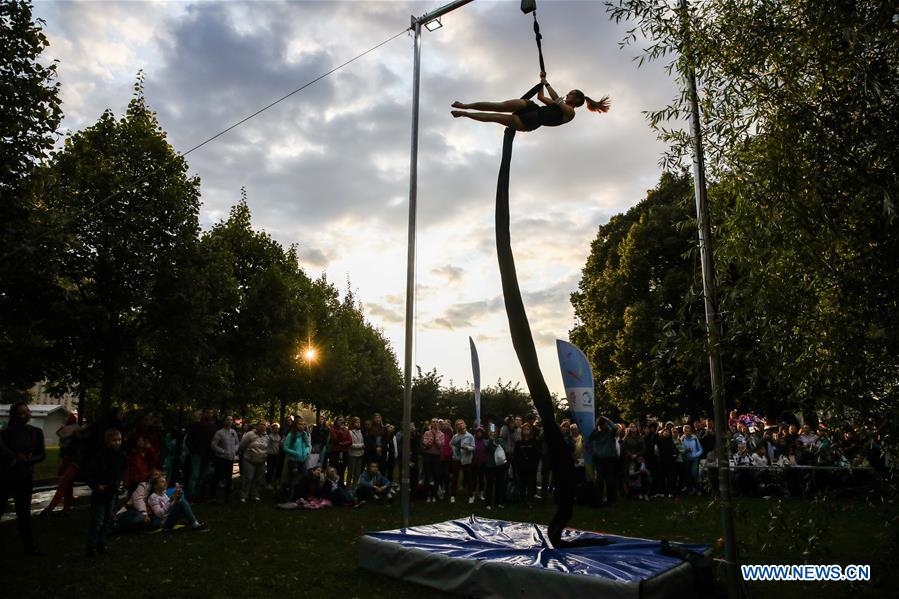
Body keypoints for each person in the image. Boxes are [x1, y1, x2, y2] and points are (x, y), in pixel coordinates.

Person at [451, 72, 609, 131]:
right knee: (498, 106)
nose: (568, 93)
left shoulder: (570, 113)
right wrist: (541, 82)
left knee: (495, 117)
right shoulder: (558, 104)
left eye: (571, 93)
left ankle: (464, 114)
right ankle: (465, 105)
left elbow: (556, 99)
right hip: (532, 108)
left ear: (577, 99)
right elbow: (541, 97)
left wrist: (546, 83)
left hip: (531, 121)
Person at [0, 402, 46, 555]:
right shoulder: (5, 433)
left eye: (28, 411)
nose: (27, 414)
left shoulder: (35, 432)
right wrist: (14, 457)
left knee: (24, 512)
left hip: (24, 477)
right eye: (22, 412)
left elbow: (41, 454)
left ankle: (29, 546)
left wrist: (28, 460)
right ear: (14, 415)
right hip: (5, 476)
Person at [84, 429, 126, 557]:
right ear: (107, 441)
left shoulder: (120, 455)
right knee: (98, 520)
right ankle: (91, 545)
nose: (117, 443)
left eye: (119, 440)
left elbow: (122, 470)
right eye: (114, 440)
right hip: (101, 492)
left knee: (108, 519)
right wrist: (96, 485)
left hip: (112, 491)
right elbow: (89, 473)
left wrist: (120, 483)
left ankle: (101, 543)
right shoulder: (99, 456)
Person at [42, 413, 84, 516]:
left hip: (73, 461)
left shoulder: (74, 431)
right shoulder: (75, 430)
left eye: (66, 418)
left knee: (64, 484)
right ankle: (65, 509)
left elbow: (61, 436)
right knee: (67, 485)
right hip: (69, 460)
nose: (64, 419)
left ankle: (50, 509)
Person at [114, 469, 164, 533]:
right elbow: (138, 500)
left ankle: (136, 529)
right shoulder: (143, 485)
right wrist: (144, 514)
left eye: (159, 475)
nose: (158, 476)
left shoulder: (158, 490)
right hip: (133, 511)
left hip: (148, 514)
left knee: (157, 522)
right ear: (150, 477)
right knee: (139, 517)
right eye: (156, 474)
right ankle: (116, 527)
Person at [590, 415, 618, 504]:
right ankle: (605, 499)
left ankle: (605, 499)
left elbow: (615, 427)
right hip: (604, 459)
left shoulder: (607, 432)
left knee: (605, 480)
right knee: (603, 480)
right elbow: (614, 427)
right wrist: (606, 419)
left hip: (606, 459)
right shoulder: (599, 433)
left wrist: (602, 422)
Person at [210, 415, 238, 502]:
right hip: (221, 459)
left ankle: (227, 496)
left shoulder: (233, 432)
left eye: (231, 420)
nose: (229, 421)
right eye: (227, 420)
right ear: (224, 421)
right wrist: (223, 451)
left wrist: (235, 450)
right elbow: (213, 445)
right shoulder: (219, 433)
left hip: (230, 459)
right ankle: (213, 496)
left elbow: (237, 443)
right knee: (217, 476)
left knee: (229, 478)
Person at [239, 421, 269, 502]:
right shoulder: (250, 434)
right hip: (249, 459)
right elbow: (242, 445)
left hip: (261, 461)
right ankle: (244, 495)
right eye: (261, 424)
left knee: (258, 479)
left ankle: (255, 494)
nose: (263, 426)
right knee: (248, 478)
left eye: (264, 425)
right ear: (257, 426)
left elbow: (267, 448)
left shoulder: (267, 437)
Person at [281, 418, 310, 501]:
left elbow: (307, 445)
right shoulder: (291, 435)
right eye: (300, 424)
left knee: (305, 477)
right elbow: (285, 448)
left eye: (303, 424)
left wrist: (306, 452)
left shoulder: (304, 434)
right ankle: (290, 497)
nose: (302, 426)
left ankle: (301, 496)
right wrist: (295, 453)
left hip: (302, 460)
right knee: (293, 479)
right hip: (293, 461)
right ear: (296, 425)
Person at [449, 419, 476, 504]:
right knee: (455, 478)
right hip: (456, 459)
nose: (460, 425)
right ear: (456, 427)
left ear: (465, 425)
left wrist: (467, 447)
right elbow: (451, 444)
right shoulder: (455, 436)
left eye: (461, 423)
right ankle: (452, 495)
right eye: (458, 424)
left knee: (469, 478)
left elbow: (473, 448)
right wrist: (454, 450)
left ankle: (471, 496)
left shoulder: (470, 436)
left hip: (466, 460)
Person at [515, 423, 540, 507]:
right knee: (522, 486)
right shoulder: (519, 443)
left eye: (527, 429)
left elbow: (536, 455)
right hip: (521, 468)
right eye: (524, 429)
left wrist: (533, 465)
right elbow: (516, 456)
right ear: (522, 431)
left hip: (531, 468)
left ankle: (529, 501)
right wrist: (518, 466)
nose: (526, 431)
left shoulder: (534, 442)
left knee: (530, 486)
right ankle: (522, 500)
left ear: (530, 431)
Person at [484, 426, 508, 510]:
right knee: (489, 484)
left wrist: (497, 444)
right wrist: (491, 441)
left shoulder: (500, 440)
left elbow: (504, 448)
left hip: (500, 466)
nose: (493, 433)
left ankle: (498, 502)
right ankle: (488, 503)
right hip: (490, 466)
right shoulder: (487, 441)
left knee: (499, 484)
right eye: (491, 431)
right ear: (488, 433)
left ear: (497, 433)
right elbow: (486, 447)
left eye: (494, 432)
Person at [422, 418, 444, 503]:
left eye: (436, 422)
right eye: (433, 422)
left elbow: (440, 445)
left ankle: (434, 495)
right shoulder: (427, 433)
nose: (435, 423)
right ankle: (428, 495)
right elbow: (425, 444)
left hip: (437, 456)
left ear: (438, 424)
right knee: (427, 476)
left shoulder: (441, 434)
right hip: (428, 455)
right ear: (431, 424)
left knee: (436, 476)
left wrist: (436, 438)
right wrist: (430, 440)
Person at [329, 416, 352, 485]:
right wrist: (340, 431)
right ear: (336, 421)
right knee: (335, 470)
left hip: (344, 453)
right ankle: (333, 485)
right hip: (335, 453)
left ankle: (341, 485)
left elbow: (350, 441)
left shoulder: (346, 430)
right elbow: (335, 440)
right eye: (340, 420)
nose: (341, 422)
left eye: (342, 420)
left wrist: (342, 443)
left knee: (342, 470)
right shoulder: (333, 429)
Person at [265, 422, 282, 488]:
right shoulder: (269, 437)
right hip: (270, 455)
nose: (276, 429)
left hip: (277, 455)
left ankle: (275, 482)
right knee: (270, 469)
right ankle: (268, 483)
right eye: (275, 428)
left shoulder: (279, 436)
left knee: (276, 469)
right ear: (272, 429)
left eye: (277, 428)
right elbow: (266, 445)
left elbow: (279, 445)